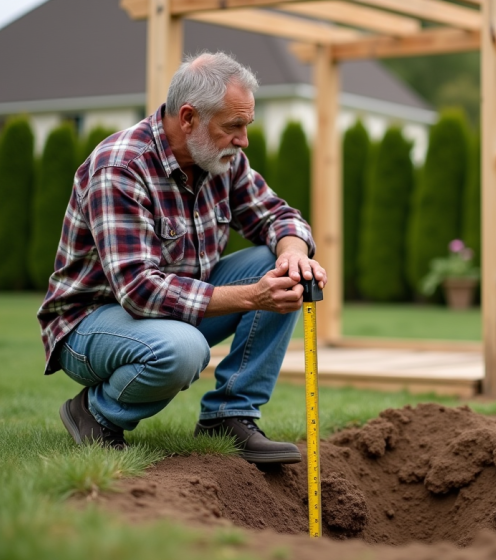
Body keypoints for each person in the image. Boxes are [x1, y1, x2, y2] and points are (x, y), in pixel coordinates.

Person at [37, 51, 326, 464]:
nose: (244, 140)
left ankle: (230, 414)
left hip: (174, 311)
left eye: (247, 125)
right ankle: (94, 413)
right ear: (189, 117)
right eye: (234, 126)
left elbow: (277, 216)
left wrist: (295, 254)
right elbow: (139, 291)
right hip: (91, 324)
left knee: (279, 265)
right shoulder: (120, 167)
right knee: (184, 349)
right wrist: (252, 298)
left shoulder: (222, 160)